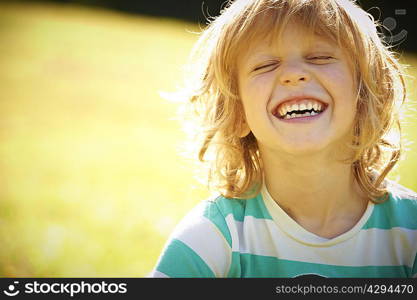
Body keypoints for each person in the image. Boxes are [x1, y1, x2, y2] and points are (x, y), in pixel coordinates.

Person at [150, 0, 417, 278]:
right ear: (238, 112)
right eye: (265, 65)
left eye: (320, 57)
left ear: (365, 94)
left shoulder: (410, 231)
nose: (292, 74)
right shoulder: (216, 235)